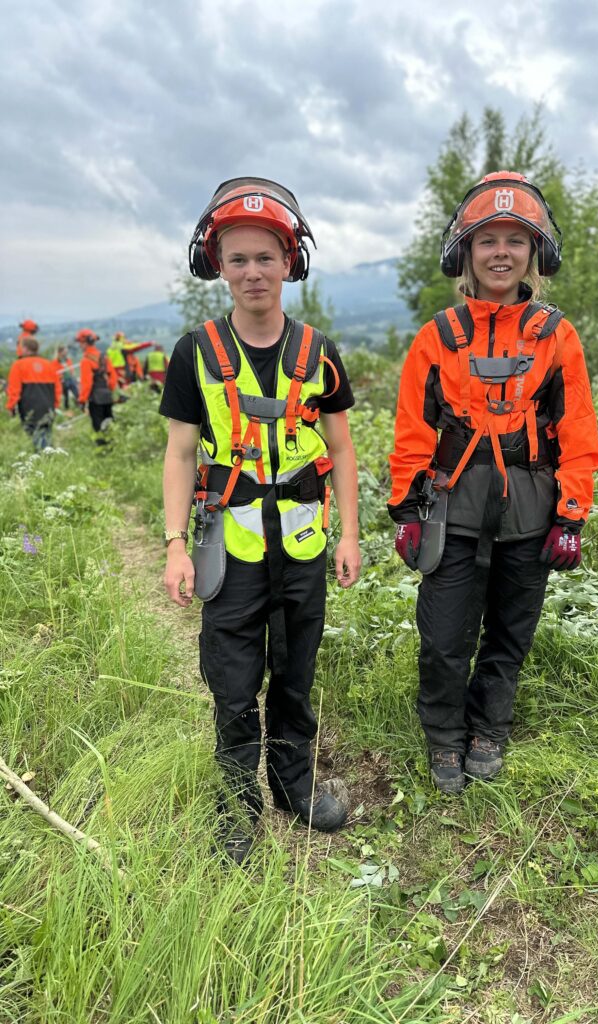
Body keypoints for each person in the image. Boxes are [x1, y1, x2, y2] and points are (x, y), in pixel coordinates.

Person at [161, 177, 361, 858]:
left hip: (303, 543)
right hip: (230, 543)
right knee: (234, 680)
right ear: (217, 265)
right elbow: (181, 452)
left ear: (290, 263)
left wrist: (352, 535)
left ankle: (293, 787)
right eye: (238, 258)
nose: (252, 272)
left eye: (265, 257)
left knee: (297, 672)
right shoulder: (195, 354)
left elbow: (339, 447)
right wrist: (173, 546)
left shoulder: (319, 353)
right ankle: (236, 807)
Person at [388, 172, 598, 795]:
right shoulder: (437, 336)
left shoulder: (556, 335)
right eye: (488, 240)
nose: (501, 252)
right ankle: (444, 735)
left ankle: (490, 729)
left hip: (530, 509)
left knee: (510, 634)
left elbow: (578, 430)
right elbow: (412, 430)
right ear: (466, 253)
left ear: (535, 254)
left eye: (515, 239)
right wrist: (405, 509)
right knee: (444, 636)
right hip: (450, 508)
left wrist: (571, 514)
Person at [6, 336, 61, 449]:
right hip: (48, 407)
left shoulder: (18, 365)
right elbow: (58, 389)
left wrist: (11, 407)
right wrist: (55, 405)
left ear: (25, 348)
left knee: (34, 439)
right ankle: (48, 460)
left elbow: (14, 390)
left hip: (28, 408)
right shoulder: (49, 365)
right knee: (46, 436)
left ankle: (41, 462)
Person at [76, 328, 117, 445]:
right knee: (109, 423)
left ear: (84, 343)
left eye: (80, 342)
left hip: (95, 398)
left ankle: (103, 450)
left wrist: (82, 400)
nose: (80, 345)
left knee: (98, 427)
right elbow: (113, 378)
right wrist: (109, 390)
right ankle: (112, 446)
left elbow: (87, 383)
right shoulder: (104, 357)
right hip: (107, 396)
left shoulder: (85, 361)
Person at [54, 345, 79, 410]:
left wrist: (73, 375)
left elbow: (71, 369)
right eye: (64, 351)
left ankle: (79, 406)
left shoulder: (68, 360)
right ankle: (67, 409)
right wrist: (60, 377)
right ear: (60, 352)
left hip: (70, 379)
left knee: (77, 394)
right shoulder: (55, 362)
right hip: (63, 381)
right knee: (66, 397)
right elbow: (55, 372)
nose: (66, 353)